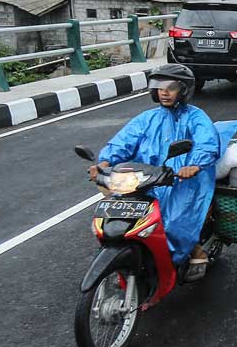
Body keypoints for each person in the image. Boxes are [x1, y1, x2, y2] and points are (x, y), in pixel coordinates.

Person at [90, 63, 220, 276]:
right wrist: (104, 163)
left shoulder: (196, 117)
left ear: (183, 90)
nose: (164, 92)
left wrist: (194, 165)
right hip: (148, 177)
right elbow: (126, 140)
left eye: (170, 87)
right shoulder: (147, 118)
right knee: (120, 212)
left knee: (174, 220)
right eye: (159, 86)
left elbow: (207, 142)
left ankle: (194, 250)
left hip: (185, 178)